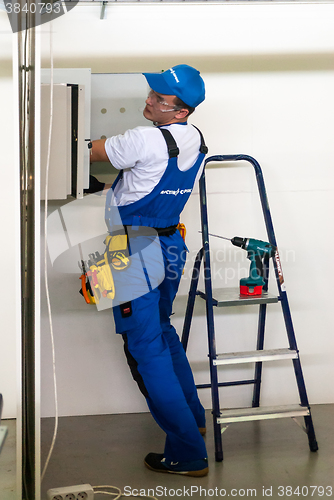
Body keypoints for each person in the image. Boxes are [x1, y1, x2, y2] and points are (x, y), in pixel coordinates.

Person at [89, 64, 209, 477]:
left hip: (131, 248)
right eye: (152, 94)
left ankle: (188, 453)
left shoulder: (141, 138)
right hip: (169, 243)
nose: (149, 102)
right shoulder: (194, 137)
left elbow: (90, 150)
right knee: (162, 333)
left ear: (179, 111)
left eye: (159, 100)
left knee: (145, 349)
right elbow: (145, 179)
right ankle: (194, 421)